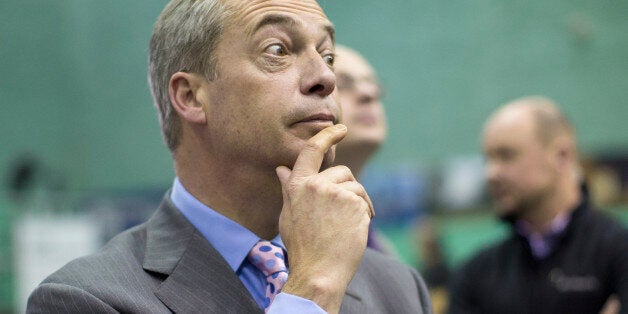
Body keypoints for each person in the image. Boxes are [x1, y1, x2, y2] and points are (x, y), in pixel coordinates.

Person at [26, 0, 432, 313]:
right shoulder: (86, 298)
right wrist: (312, 291)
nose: (326, 78)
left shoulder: (396, 288)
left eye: (327, 55)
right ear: (191, 97)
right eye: (278, 49)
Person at [448, 96, 628, 314]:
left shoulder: (618, 254)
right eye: (488, 159)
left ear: (562, 155)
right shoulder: (476, 274)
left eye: (506, 155)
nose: (491, 173)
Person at [332, 44, 396, 255]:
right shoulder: (274, 245)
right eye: (343, 83)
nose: (369, 93)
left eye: (372, 83)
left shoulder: (383, 250)